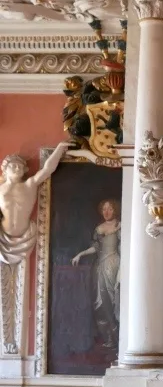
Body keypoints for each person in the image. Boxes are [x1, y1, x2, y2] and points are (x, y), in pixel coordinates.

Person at [0, 141, 85, 263]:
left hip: (26, 238)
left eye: (20, 166)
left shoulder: (29, 185)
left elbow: (47, 169)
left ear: (25, 170)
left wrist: (60, 148)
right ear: (5, 169)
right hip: (3, 238)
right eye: (13, 166)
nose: (17, 168)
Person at [71, 199, 121, 348]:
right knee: (100, 303)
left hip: (115, 266)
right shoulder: (99, 228)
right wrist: (80, 254)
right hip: (100, 268)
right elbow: (95, 248)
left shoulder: (120, 226)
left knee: (115, 302)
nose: (106, 212)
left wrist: (121, 269)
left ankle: (120, 339)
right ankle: (109, 339)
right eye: (104, 209)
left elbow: (124, 247)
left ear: (115, 210)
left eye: (110, 209)